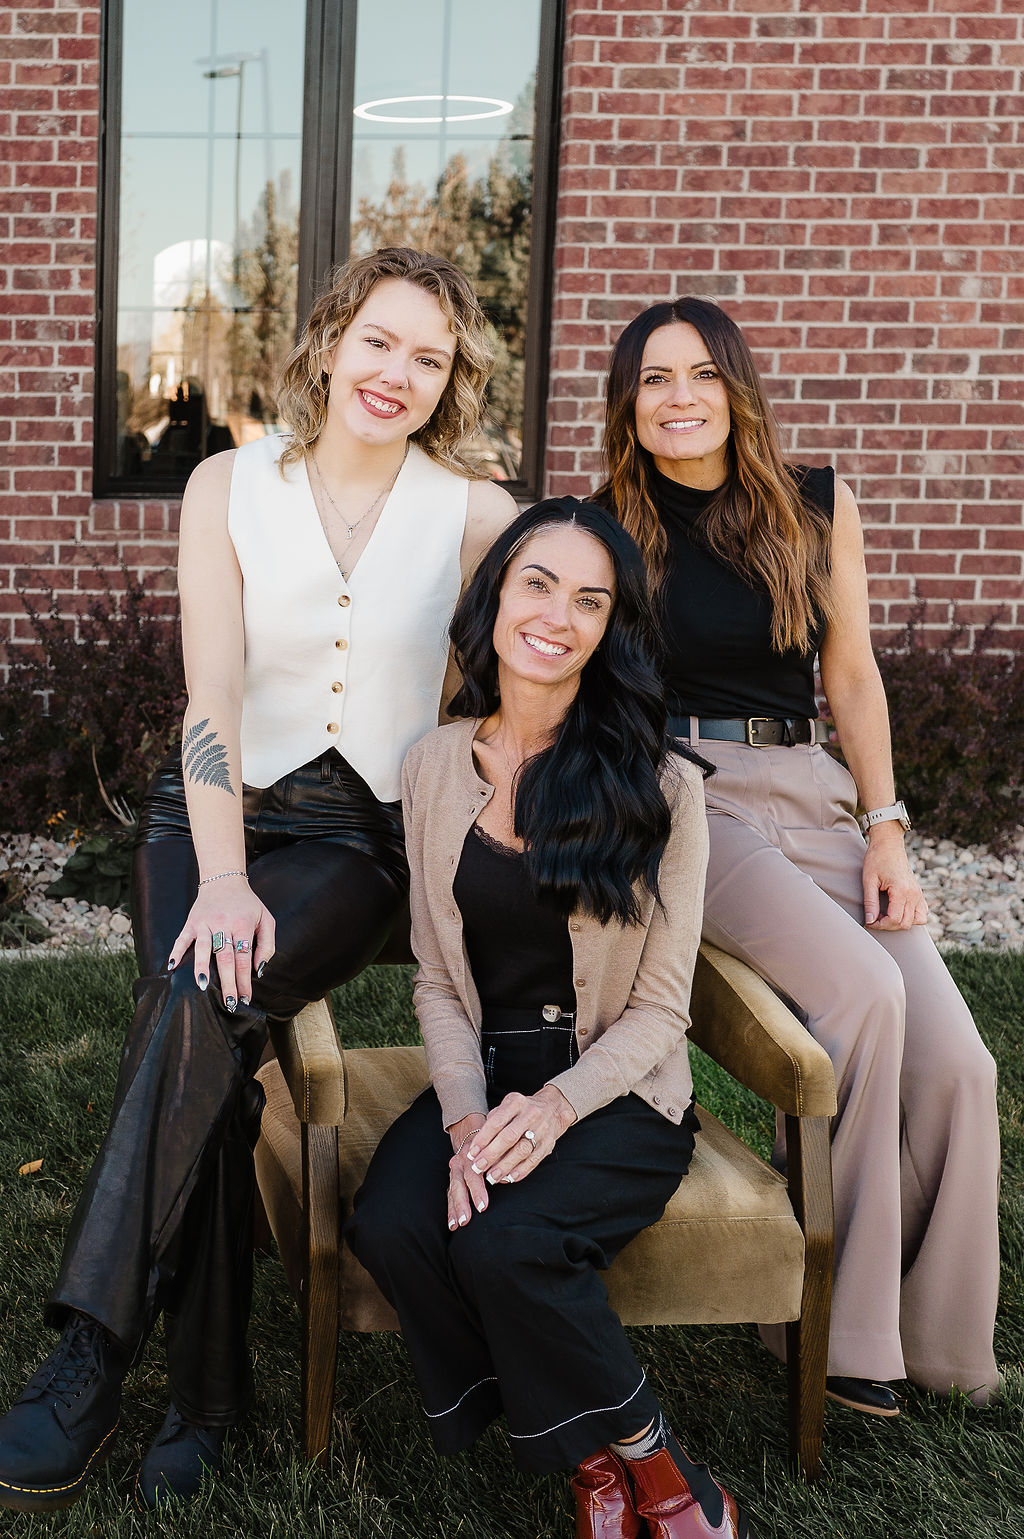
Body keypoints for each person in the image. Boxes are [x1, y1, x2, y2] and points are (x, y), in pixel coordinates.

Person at [0, 247, 517, 1513]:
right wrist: (224, 877)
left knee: (195, 1004)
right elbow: (213, 692)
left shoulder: (474, 514)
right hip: (208, 815)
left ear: (450, 382)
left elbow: (522, 679)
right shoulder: (226, 484)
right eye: (380, 341)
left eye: (429, 359)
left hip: (359, 837)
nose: (397, 374)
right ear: (332, 340)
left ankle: (90, 1356)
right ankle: (204, 1400)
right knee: (208, 1045)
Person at [595, 296, 1001, 1417]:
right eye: (653, 379)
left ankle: (943, 1341)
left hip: (811, 790)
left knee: (960, 1066)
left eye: (700, 374)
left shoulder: (814, 501)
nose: (679, 398)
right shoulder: (605, 524)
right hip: (690, 799)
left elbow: (851, 675)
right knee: (863, 995)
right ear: (627, 405)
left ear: (737, 387)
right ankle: (840, 1333)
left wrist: (885, 829)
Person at [347, 499, 750, 1539]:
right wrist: (465, 1120)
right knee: (394, 1221)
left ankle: (662, 1475)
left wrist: (556, 1109)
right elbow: (438, 981)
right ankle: (588, 1458)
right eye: (537, 583)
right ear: (495, 598)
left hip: (613, 1087)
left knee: (505, 1244)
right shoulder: (432, 766)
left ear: (610, 628)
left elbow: (661, 1011)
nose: (556, 617)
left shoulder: (660, 786)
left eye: (589, 600)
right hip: (485, 1072)